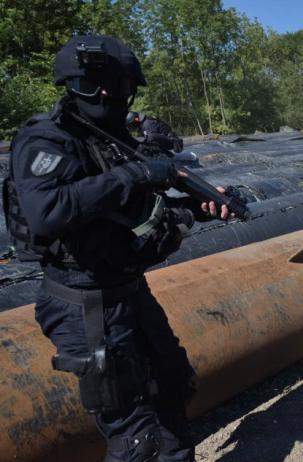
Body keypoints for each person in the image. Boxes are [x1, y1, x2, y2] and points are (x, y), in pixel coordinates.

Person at [4, 35, 232, 462]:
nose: (112, 95)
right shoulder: (46, 139)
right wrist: (141, 173)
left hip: (128, 290)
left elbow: (133, 211)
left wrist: (198, 207)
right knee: (135, 437)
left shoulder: (110, 138)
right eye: (103, 84)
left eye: (120, 87)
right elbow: (48, 212)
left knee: (173, 387)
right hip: (85, 303)